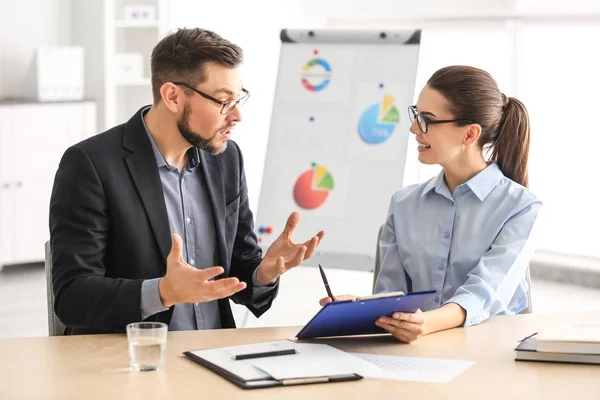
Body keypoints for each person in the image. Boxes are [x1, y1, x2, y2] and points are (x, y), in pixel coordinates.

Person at [50, 28, 324, 335]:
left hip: (216, 357)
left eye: (238, 99)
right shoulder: (91, 164)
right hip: (135, 363)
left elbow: (239, 269)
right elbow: (72, 296)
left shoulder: (226, 158)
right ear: (173, 96)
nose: (236, 117)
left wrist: (263, 274)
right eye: (223, 101)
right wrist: (164, 292)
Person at [320, 65, 542, 343]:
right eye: (416, 115)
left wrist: (425, 322)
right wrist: (362, 307)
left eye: (427, 119)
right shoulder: (403, 204)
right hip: (417, 351)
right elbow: (393, 294)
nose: (414, 128)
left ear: (470, 134)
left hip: (491, 354)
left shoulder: (521, 207)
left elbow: (485, 292)